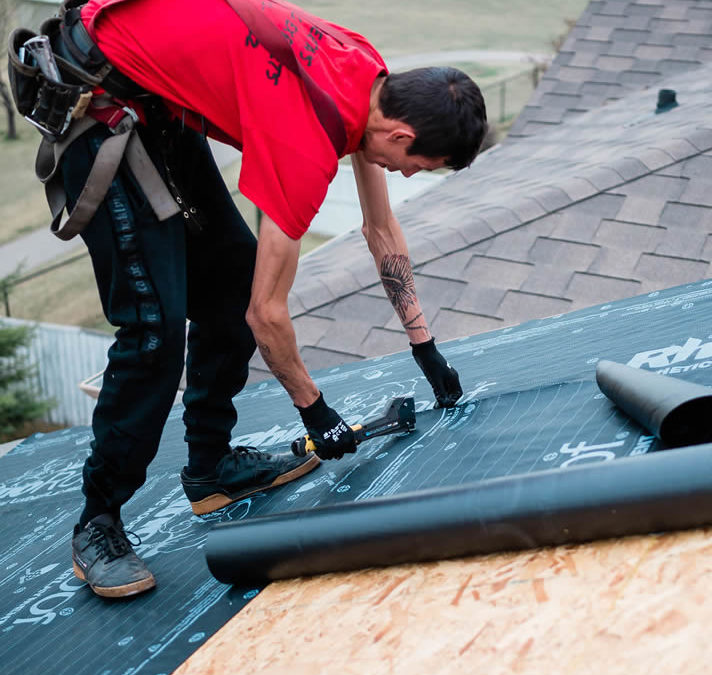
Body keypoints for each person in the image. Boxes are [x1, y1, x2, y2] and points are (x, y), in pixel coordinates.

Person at [37, 0, 488, 598]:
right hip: (98, 103)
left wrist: (425, 347)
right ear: (401, 133)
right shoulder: (308, 143)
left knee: (231, 284)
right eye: (416, 165)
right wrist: (316, 413)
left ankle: (211, 469)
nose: (406, 175)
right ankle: (98, 521)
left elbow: (380, 228)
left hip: (157, 104)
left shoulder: (368, 73)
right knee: (155, 329)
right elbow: (267, 315)